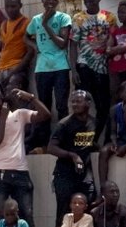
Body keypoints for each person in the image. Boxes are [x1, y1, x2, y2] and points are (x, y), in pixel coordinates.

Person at [0, 87, 50, 226]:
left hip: (20, 172)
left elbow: (45, 115)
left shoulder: (19, 115)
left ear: (3, 101)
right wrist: (4, 118)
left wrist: (31, 97)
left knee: (26, 214)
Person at [25, 0, 72, 148]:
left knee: (61, 105)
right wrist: (34, 46)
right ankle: (43, 141)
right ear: (42, 0)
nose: (50, 2)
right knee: (44, 106)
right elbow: (26, 36)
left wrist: (46, 24)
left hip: (60, 67)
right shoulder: (35, 19)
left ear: (57, 1)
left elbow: (62, 44)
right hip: (42, 68)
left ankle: (63, 140)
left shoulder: (63, 18)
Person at [47, 90, 98, 227]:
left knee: (88, 209)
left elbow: (91, 144)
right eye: (73, 101)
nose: (75, 104)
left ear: (88, 103)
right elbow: (51, 148)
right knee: (63, 213)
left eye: (78, 101)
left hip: (84, 175)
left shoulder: (94, 122)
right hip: (64, 175)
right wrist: (72, 155)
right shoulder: (64, 124)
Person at [71, 0, 117, 136]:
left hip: (103, 68)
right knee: (81, 106)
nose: (89, 3)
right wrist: (74, 70)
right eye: (86, 1)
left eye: (91, 0)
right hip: (84, 66)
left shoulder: (109, 18)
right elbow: (73, 45)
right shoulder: (78, 18)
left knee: (103, 106)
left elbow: (113, 40)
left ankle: (95, 139)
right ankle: (80, 138)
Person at [0, 0, 32, 87]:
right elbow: (3, 45)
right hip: (0, 69)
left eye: (13, 6)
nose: (9, 10)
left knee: (15, 99)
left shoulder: (26, 23)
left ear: (20, 6)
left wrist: (15, 71)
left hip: (16, 69)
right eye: (7, 7)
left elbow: (31, 51)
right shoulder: (3, 25)